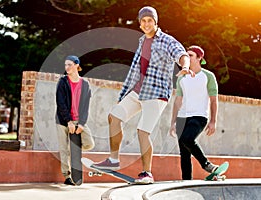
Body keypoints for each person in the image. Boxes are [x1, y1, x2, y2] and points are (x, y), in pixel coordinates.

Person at [92, 6, 194, 184]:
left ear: (156, 22)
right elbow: (134, 72)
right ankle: (113, 160)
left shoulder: (166, 40)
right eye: (144, 21)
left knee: (143, 131)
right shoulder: (141, 41)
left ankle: (147, 173)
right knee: (114, 117)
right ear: (140, 24)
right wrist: (124, 94)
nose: (147, 24)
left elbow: (181, 54)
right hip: (138, 90)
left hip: (156, 93)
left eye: (150, 20)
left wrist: (185, 66)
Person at [169, 45, 219, 180]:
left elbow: (214, 100)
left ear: (199, 58)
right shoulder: (182, 78)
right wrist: (173, 122)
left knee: (187, 139)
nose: (187, 58)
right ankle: (186, 183)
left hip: (199, 116)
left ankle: (206, 164)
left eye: (190, 55)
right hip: (182, 117)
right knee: (184, 154)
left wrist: (213, 121)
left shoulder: (208, 76)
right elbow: (178, 101)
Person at [56, 55, 95, 185]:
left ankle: (75, 150)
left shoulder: (85, 85)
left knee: (89, 143)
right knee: (64, 149)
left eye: (69, 65)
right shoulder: (63, 82)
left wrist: (82, 124)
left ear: (77, 65)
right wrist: (68, 121)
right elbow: (60, 103)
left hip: (78, 120)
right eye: (65, 65)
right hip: (63, 121)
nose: (67, 67)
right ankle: (67, 176)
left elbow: (86, 107)